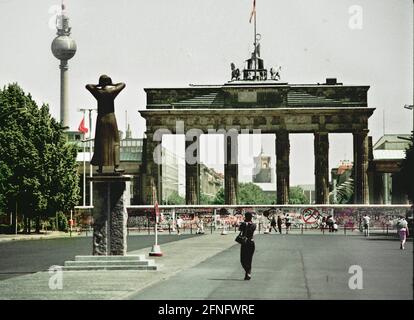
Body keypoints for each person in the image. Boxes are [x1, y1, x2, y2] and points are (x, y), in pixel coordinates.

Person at [86, 75, 126, 174]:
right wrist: (111, 84)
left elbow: (88, 86)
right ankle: (116, 166)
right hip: (111, 118)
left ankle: (100, 167)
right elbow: (123, 84)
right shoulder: (112, 92)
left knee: (100, 142)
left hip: (101, 119)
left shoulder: (98, 92)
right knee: (115, 142)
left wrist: (99, 85)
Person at [239, 212, 256, 280]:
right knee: (249, 259)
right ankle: (248, 273)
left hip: (245, 243)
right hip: (251, 242)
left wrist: (245, 225)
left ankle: (247, 272)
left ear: (245, 217)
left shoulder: (244, 224)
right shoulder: (254, 225)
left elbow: (240, 229)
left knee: (243, 259)